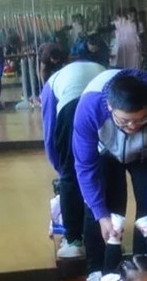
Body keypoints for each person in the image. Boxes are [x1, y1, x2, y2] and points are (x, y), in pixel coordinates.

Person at [73, 68, 147, 281]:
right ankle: (98, 273)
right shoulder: (90, 107)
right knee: (103, 212)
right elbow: (85, 167)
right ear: (109, 107)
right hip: (105, 152)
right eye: (124, 121)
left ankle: (144, 275)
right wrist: (101, 215)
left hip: (145, 153)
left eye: (140, 119)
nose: (132, 126)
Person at [41, 58, 107, 261]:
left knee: (70, 174)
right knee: (103, 172)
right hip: (106, 104)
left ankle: (73, 241)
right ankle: (107, 235)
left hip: (72, 107)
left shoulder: (50, 84)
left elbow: (50, 132)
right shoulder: (98, 66)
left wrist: (60, 169)